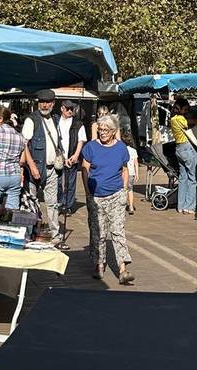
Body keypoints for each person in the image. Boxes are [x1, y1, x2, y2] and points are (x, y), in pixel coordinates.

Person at [82, 114, 134, 285]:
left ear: (113, 132)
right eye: (100, 129)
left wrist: (125, 190)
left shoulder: (121, 148)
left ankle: (123, 269)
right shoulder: (91, 147)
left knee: (118, 231)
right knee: (99, 233)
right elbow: (85, 167)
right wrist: (87, 190)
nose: (102, 133)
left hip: (116, 194)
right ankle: (99, 265)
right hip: (96, 196)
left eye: (105, 130)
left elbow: (125, 169)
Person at [22, 89, 64, 243]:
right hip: (35, 169)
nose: (44, 105)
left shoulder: (55, 119)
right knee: (31, 202)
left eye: (47, 102)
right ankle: (30, 232)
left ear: (53, 103)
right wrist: (31, 166)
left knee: (52, 203)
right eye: (42, 102)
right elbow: (24, 145)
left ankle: (55, 234)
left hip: (53, 169)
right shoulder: (31, 120)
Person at [170, 97, 197, 215]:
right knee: (192, 178)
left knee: (183, 178)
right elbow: (193, 122)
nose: (187, 110)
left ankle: (180, 205)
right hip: (187, 148)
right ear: (181, 108)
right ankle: (189, 206)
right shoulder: (180, 119)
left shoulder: (172, 119)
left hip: (178, 149)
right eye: (186, 108)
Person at [58, 99, 87, 214]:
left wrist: (76, 155)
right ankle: (59, 203)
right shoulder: (56, 122)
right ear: (62, 109)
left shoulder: (78, 123)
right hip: (58, 156)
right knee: (57, 182)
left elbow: (81, 140)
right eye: (68, 109)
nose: (70, 111)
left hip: (71, 156)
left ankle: (68, 205)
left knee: (70, 182)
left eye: (72, 109)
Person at [123, 132, 139, 214]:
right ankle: (131, 206)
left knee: (123, 189)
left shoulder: (121, 150)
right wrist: (137, 174)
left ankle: (123, 205)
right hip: (131, 173)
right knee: (130, 189)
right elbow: (136, 163)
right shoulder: (134, 151)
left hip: (123, 173)